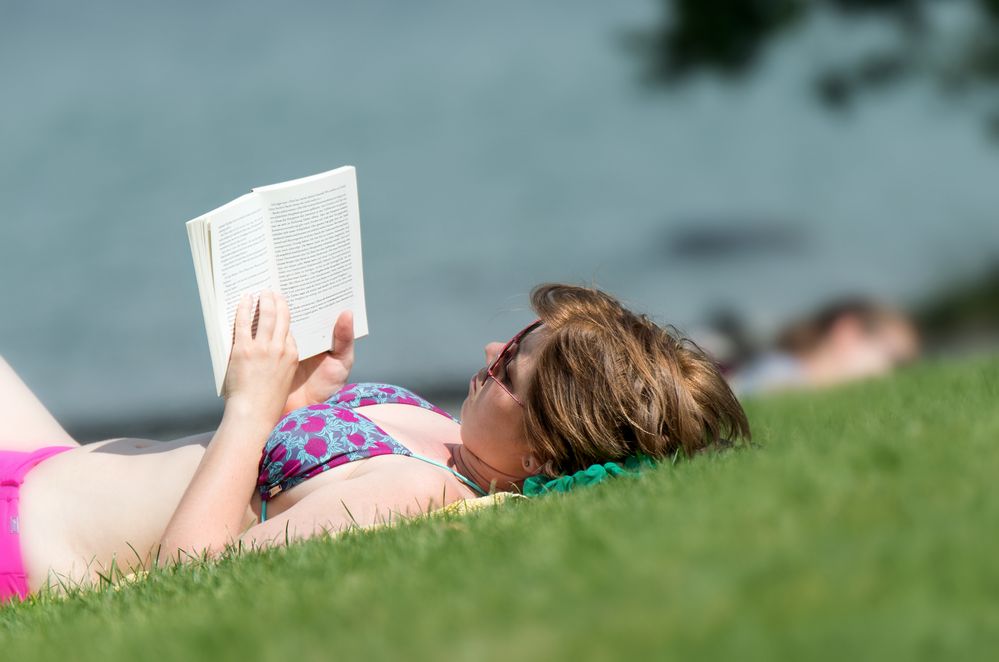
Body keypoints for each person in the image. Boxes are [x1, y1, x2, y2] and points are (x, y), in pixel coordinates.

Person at [0, 284, 749, 602]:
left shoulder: (414, 490)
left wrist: (250, 407)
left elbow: (186, 578)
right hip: (53, 466)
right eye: (517, 337)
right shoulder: (450, 441)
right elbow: (278, 474)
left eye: (509, 370)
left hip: (27, 539)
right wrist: (302, 396)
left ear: (543, 459)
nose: (492, 347)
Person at [727, 298, 919, 396]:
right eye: (894, 358)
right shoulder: (781, 376)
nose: (892, 375)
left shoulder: (790, 375)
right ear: (848, 333)